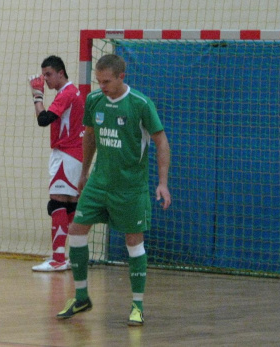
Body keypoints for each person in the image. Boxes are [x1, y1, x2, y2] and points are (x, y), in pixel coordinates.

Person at [56, 54, 171, 326]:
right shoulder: (94, 100)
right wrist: (84, 172)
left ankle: (137, 305)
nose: (102, 86)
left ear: (122, 76)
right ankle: (81, 296)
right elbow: (91, 136)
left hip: (130, 187)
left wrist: (163, 182)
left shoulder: (140, 104)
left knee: (134, 241)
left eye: (107, 81)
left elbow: (161, 142)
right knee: (76, 230)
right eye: (99, 81)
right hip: (99, 182)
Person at [28, 55, 84, 271]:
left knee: (57, 203)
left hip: (66, 154)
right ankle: (68, 255)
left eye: (48, 74)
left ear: (61, 73)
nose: (45, 79)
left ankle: (58, 259)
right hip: (74, 154)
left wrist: (37, 96)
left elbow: (44, 120)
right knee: (69, 204)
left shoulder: (67, 93)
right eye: (43, 75)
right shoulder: (72, 92)